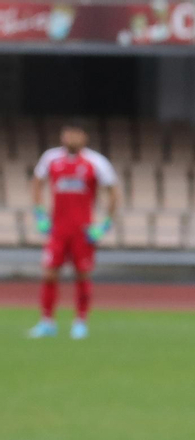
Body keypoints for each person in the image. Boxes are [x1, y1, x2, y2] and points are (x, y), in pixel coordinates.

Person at [28, 121, 119, 340]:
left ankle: (80, 322)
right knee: (49, 273)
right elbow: (37, 184)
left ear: (84, 137)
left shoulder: (96, 162)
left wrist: (105, 224)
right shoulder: (50, 159)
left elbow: (113, 191)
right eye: (67, 134)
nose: (71, 138)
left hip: (82, 230)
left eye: (75, 134)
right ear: (62, 136)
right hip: (57, 229)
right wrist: (40, 214)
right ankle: (47, 321)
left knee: (82, 274)